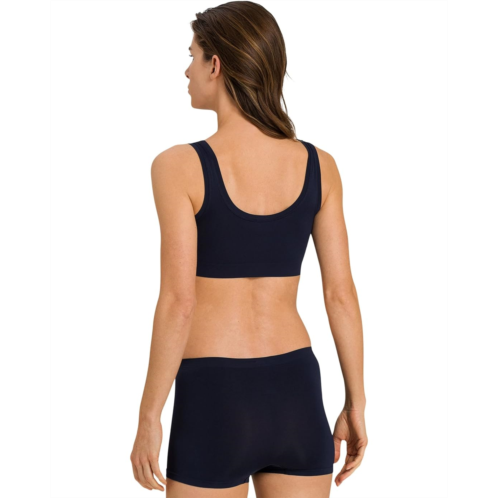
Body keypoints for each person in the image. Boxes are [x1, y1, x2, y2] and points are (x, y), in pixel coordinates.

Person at [131, 2, 367, 496]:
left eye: (192, 55)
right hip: (296, 389)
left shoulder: (178, 167)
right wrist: (355, 404)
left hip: (215, 394)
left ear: (215, 64)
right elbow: (340, 295)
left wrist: (150, 416)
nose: (187, 70)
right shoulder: (319, 166)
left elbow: (179, 302)